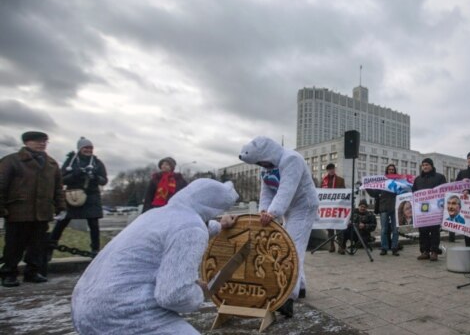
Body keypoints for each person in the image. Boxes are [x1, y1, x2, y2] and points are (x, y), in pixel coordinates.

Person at [71, 179, 239, 334]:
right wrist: (200, 292)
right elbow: (174, 296)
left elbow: (179, 230)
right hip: (120, 313)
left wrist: (219, 226)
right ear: (214, 208)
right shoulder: (191, 228)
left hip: (84, 305)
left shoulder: (155, 215)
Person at [238, 136, 319, 318]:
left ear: (268, 153)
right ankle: (301, 286)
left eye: (262, 161)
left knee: (291, 248)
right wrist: (264, 211)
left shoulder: (291, 159)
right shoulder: (267, 168)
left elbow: (286, 190)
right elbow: (266, 191)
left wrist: (273, 212)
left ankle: (287, 297)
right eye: (259, 163)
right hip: (290, 208)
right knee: (292, 245)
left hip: (304, 207)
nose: (262, 165)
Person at [0, 131, 65, 287]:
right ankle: (9, 273)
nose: (42, 144)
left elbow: (58, 188)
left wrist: (60, 206)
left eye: (44, 141)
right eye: (37, 141)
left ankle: (32, 272)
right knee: (14, 245)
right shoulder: (11, 161)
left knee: (37, 245)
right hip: (18, 211)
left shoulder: (51, 164)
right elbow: (1, 185)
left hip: (42, 212)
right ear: (27, 142)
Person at [50, 137, 108, 258]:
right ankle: (50, 246)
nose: (88, 150)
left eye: (90, 148)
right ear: (80, 148)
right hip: (73, 194)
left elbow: (104, 180)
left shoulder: (97, 162)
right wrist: (76, 174)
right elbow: (62, 179)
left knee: (93, 224)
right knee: (62, 222)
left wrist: (95, 178)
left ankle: (95, 249)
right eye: (86, 148)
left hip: (91, 195)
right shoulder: (70, 161)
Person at [412, 158, 447, 261]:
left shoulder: (439, 177)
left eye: (427, 165)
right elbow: (414, 192)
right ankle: (425, 251)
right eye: (423, 165)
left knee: (435, 231)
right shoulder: (418, 179)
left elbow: (444, 190)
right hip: (422, 210)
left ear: (431, 166)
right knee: (423, 231)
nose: (425, 167)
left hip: (435, 210)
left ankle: (434, 251)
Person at [375, 164, 400, 256]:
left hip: (395, 208)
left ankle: (394, 247)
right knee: (384, 229)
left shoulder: (398, 181)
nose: (391, 171)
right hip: (384, 207)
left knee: (395, 229)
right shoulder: (382, 180)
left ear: (395, 170)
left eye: (393, 169)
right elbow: (375, 192)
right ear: (387, 170)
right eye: (389, 169)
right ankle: (384, 248)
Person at [320, 163, 345, 253]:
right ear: (327, 170)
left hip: (338, 207)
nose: (331, 170)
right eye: (329, 169)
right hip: (328, 207)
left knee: (339, 227)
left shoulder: (340, 180)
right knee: (330, 227)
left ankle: (341, 246)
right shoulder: (323, 181)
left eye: (332, 168)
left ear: (334, 169)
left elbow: (344, 193)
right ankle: (331, 245)